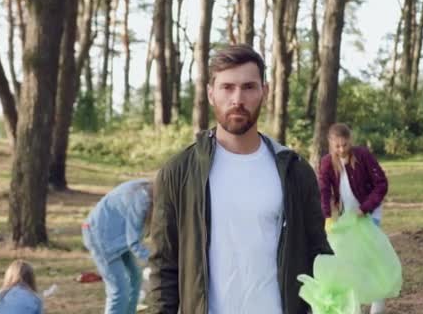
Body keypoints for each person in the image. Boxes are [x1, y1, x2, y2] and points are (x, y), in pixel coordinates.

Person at [146, 44, 332, 314]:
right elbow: (164, 267)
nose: (237, 99)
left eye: (248, 87)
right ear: (211, 93)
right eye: (227, 87)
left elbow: (318, 254)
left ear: (264, 92)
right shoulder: (179, 172)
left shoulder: (295, 171)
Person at [318, 122, 389, 314]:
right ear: (331, 144)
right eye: (337, 146)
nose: (341, 149)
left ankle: (377, 305)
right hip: (346, 218)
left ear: (351, 141)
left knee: (370, 260)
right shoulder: (326, 162)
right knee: (349, 263)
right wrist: (326, 216)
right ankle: (354, 307)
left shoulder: (363, 156)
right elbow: (323, 190)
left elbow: (381, 184)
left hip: (368, 215)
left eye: (345, 145)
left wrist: (365, 208)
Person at [82, 179, 153, 314]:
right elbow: (134, 243)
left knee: (135, 277)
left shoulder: (146, 189)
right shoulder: (142, 201)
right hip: (99, 236)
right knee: (119, 289)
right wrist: (155, 260)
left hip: (116, 237)